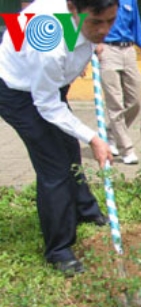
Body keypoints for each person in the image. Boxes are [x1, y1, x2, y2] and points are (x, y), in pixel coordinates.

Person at [0, 0, 117, 276]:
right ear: (74, 11)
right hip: (17, 91)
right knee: (54, 167)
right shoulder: (49, 43)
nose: (104, 29)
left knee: (68, 146)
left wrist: (93, 43)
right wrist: (94, 138)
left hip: (46, 83)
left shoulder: (76, 18)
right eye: (96, 23)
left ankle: (84, 208)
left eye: (110, 21)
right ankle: (59, 250)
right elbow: (47, 105)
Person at [97, 0, 141, 165]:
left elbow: (136, 24)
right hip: (108, 50)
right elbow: (88, 21)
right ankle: (127, 149)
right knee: (115, 104)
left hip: (128, 51)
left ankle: (110, 135)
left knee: (135, 102)